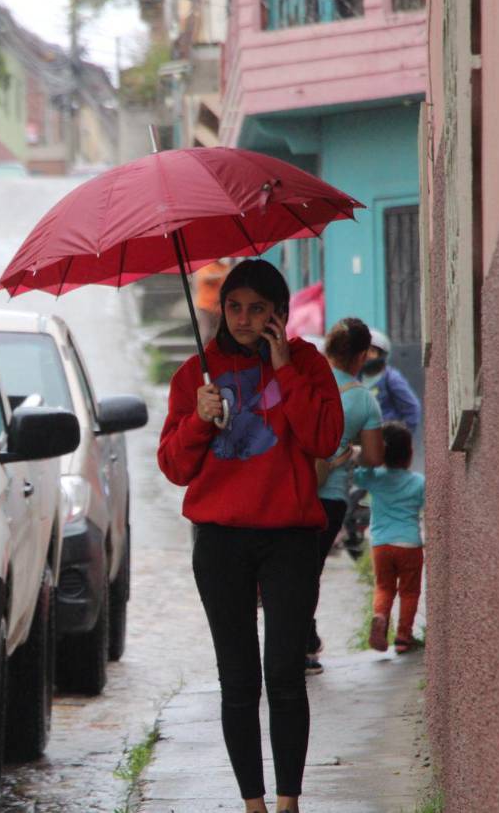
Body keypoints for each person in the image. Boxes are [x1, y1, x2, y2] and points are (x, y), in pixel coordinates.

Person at [158, 259, 344, 813]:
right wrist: (197, 419)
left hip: (289, 537)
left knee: (285, 671)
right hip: (220, 542)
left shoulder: (308, 363)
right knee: (238, 678)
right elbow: (173, 467)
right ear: (220, 310)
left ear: (278, 313)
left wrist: (284, 370)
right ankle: (253, 804)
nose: (243, 318)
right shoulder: (196, 373)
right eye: (234, 307)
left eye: (257, 308)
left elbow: (325, 438)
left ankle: (288, 801)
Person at [306, 318, 384, 675]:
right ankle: (303, 645)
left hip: (291, 490)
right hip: (330, 497)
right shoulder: (363, 401)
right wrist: (346, 454)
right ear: (361, 356)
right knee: (310, 572)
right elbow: (372, 457)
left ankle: (301, 640)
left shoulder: (305, 384)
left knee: (288, 569)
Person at [355, 422, 425, 654]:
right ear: (409, 454)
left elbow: (359, 474)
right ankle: (404, 637)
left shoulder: (376, 479)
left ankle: (380, 616)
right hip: (409, 544)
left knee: (384, 587)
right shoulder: (418, 482)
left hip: (381, 544)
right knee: (409, 591)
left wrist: (369, 457)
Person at [360, 330, 421, 434]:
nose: (367, 355)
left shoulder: (391, 378)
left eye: (372, 351)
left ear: (381, 355)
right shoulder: (355, 377)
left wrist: (401, 439)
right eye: (364, 350)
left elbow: (412, 409)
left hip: (385, 441)